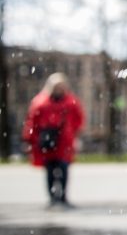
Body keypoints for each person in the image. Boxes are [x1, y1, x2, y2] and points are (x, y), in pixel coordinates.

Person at [22, 73, 85, 208]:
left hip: (64, 142)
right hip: (47, 141)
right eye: (57, 86)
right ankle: (52, 198)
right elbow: (32, 122)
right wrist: (29, 139)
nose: (59, 89)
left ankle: (62, 197)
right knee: (50, 171)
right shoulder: (41, 102)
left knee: (64, 169)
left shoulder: (71, 102)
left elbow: (79, 120)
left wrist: (74, 133)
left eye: (61, 86)